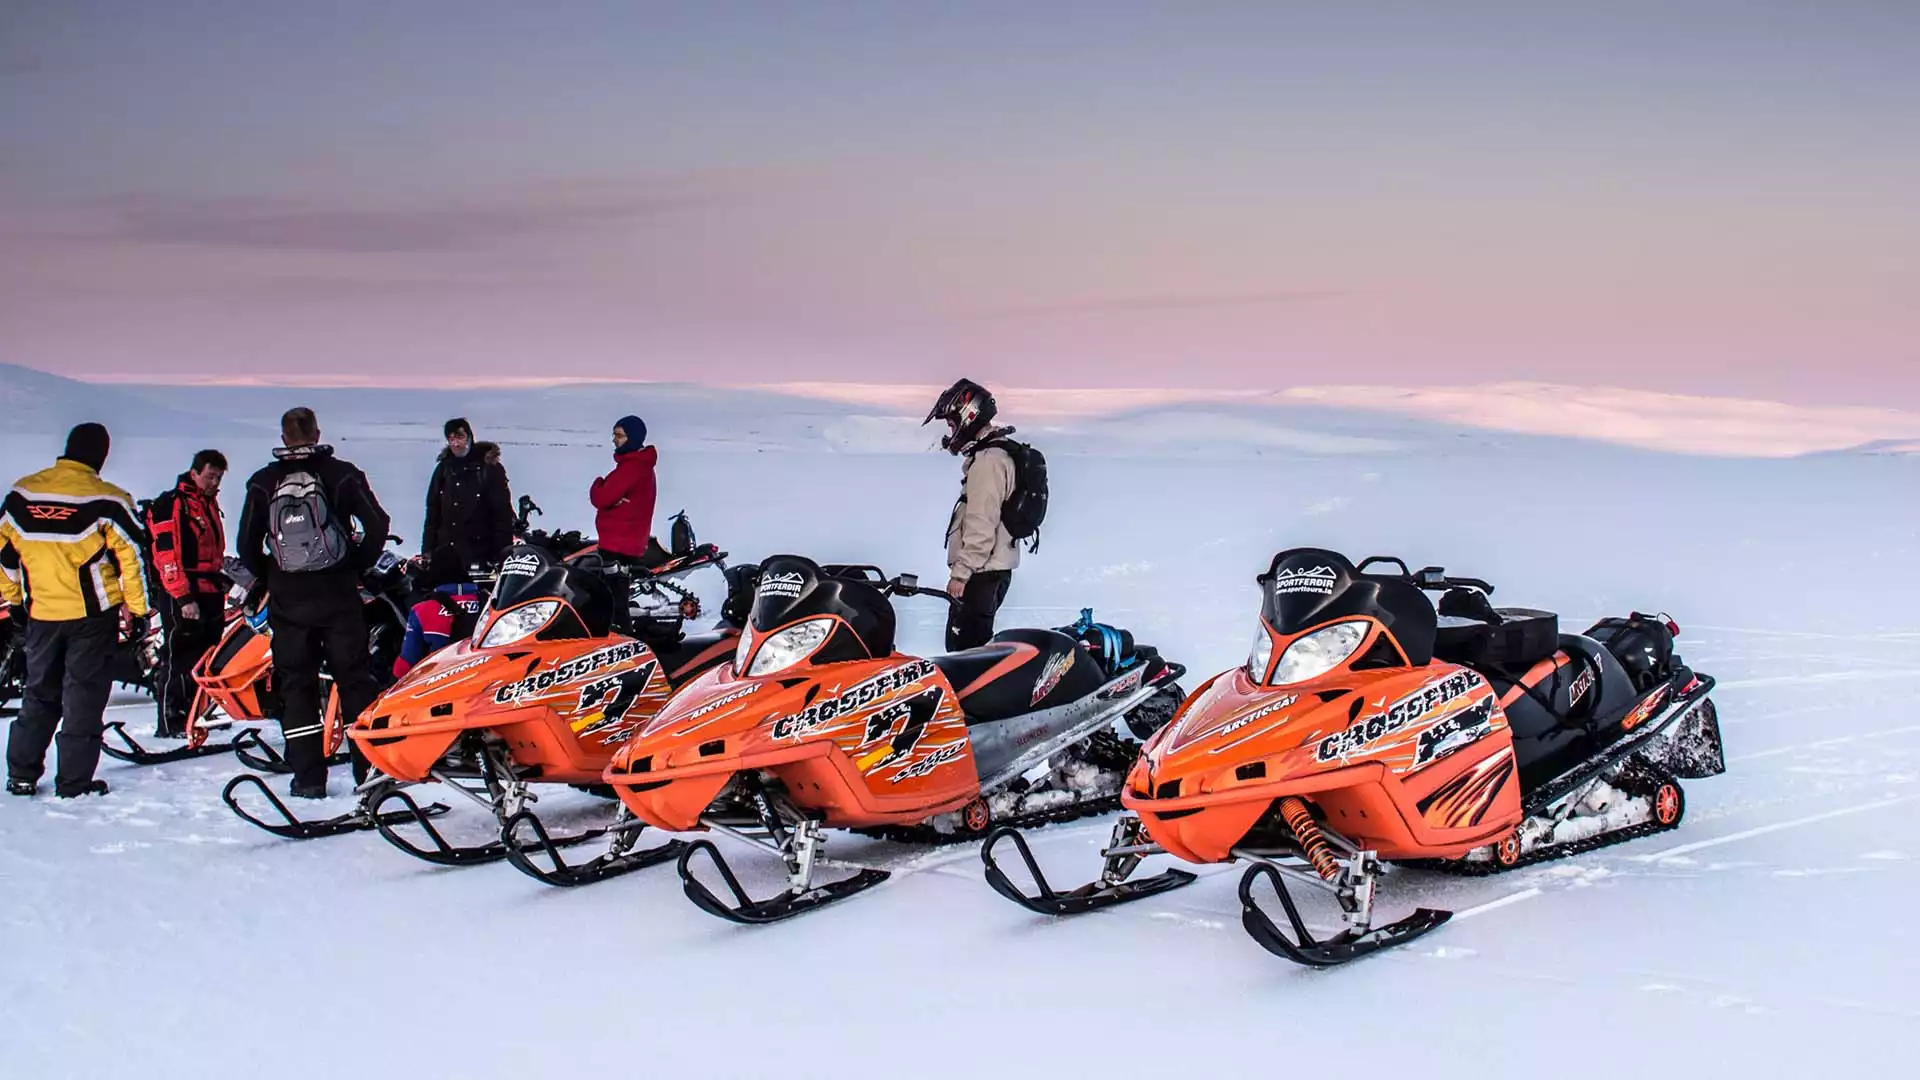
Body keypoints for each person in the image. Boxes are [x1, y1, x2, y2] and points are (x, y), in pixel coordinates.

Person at [235, 407, 391, 799]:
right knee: (355, 681)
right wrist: (355, 566)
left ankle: (307, 778)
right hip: (338, 596)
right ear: (317, 432)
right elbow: (378, 524)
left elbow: (245, 545)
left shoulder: (263, 482)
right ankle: (369, 771)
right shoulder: (342, 474)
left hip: (289, 601)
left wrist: (273, 575)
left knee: (296, 687)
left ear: (284, 437)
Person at [1, 423, 152, 798]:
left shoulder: (23, 493)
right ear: (101, 456)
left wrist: (16, 600)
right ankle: (73, 782)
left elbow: (4, 553)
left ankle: (21, 774)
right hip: (92, 617)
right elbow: (133, 559)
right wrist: (139, 612)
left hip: (40, 613)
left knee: (38, 694)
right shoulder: (108, 500)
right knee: (83, 698)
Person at [925, 379, 1021, 651]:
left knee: (964, 654)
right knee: (972, 650)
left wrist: (961, 573)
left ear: (969, 416)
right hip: (989, 570)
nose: (951, 431)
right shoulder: (994, 455)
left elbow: (982, 525)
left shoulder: (988, 462)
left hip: (981, 573)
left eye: (952, 424)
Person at [145, 450, 229, 739]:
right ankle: (171, 720)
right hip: (182, 592)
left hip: (210, 589)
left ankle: (198, 712)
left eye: (219, 477)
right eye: (210, 476)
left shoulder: (207, 503)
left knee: (206, 654)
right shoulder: (172, 504)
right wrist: (182, 597)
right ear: (194, 473)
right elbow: (166, 553)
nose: (215, 482)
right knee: (179, 656)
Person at [421, 418, 512, 571]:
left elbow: (502, 514)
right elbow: (433, 512)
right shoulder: (444, 469)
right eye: (451, 439)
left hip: (480, 553)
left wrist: (502, 554)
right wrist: (427, 551)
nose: (456, 444)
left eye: (460, 437)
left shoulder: (489, 469)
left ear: (469, 437)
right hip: (446, 552)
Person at [392, 545, 483, 679]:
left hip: (441, 685)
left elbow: (406, 663)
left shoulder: (422, 610)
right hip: (485, 682)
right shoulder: (490, 601)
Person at [588, 414, 656, 562]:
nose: (614, 440)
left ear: (632, 438)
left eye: (619, 435)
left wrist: (598, 483)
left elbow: (601, 498)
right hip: (625, 542)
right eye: (614, 435)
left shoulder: (633, 466)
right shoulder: (639, 463)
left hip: (619, 545)